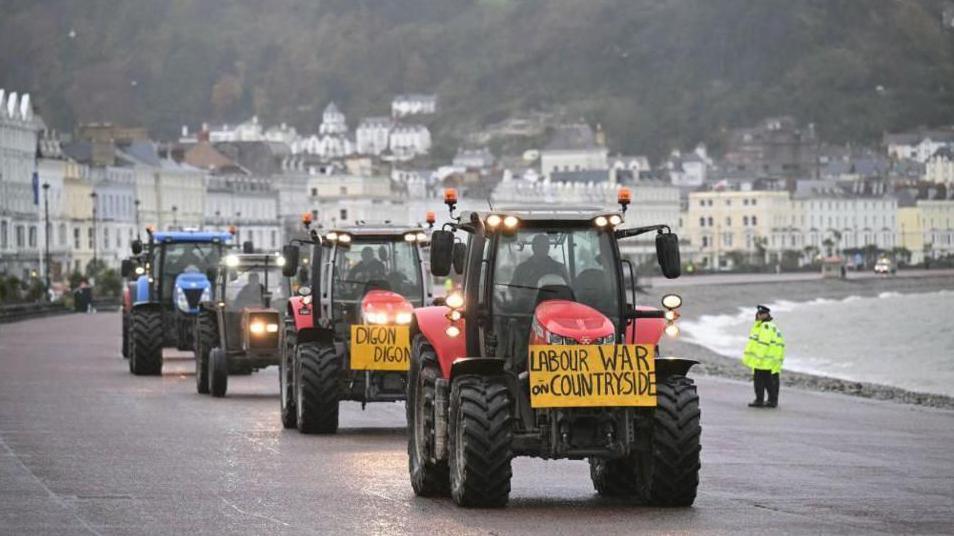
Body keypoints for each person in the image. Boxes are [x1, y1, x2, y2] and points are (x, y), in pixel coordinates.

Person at [742, 304, 785, 408]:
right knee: (768, 380)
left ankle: (760, 400)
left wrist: (758, 358)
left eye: (761, 314)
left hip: (763, 360)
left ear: (766, 315)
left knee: (760, 381)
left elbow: (763, 344)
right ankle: (771, 400)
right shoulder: (767, 326)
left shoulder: (765, 327)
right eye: (758, 313)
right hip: (769, 360)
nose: (759, 316)